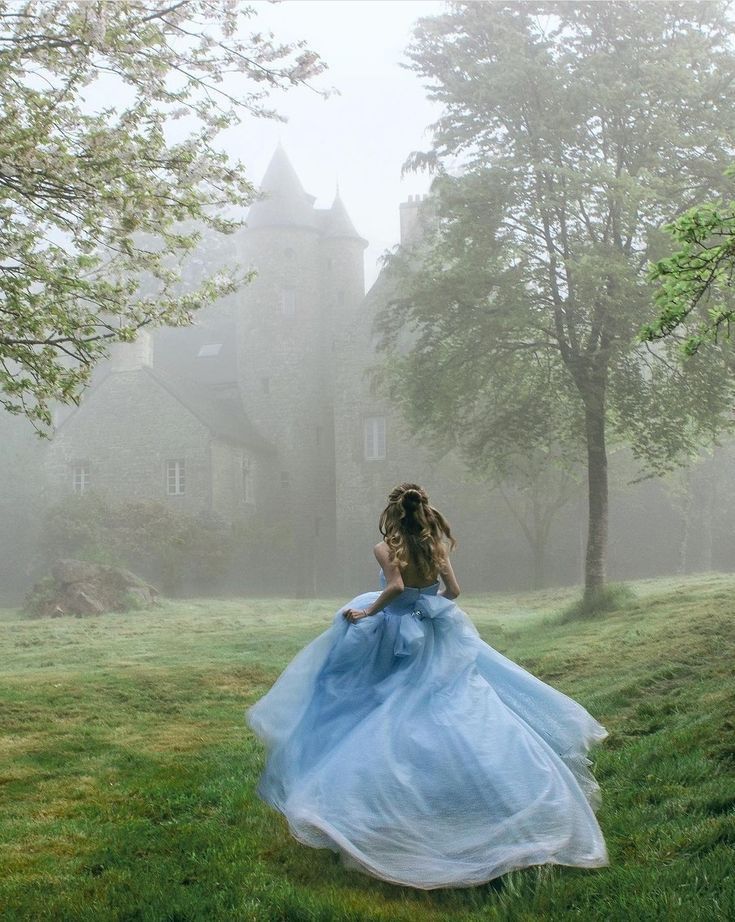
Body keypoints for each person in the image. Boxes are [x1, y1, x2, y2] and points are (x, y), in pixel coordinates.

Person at [246, 482, 608, 890]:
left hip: (396, 631)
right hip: (435, 630)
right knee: (454, 706)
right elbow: (453, 592)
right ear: (424, 512)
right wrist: (428, 605)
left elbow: (396, 587)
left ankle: (381, 800)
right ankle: (481, 793)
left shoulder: (385, 549)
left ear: (392, 515)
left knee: (385, 708)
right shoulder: (437, 547)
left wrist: (369, 610)